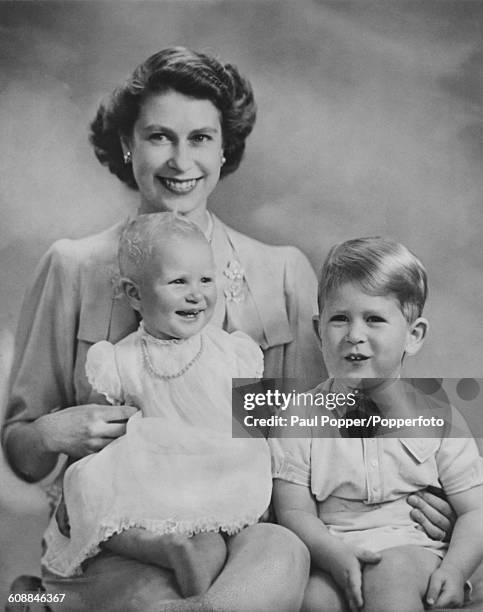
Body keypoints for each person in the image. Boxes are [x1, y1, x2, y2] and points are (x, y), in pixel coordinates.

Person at [1, 47, 455, 610]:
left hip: (246, 529)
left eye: (200, 139)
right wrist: (49, 433)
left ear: (224, 150)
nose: (179, 160)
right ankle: (44, 598)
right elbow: (23, 453)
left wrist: (426, 490)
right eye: (158, 136)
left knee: (282, 556)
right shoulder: (73, 266)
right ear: (126, 143)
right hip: (120, 537)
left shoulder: (282, 271)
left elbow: (330, 431)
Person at [42, 212, 273, 597]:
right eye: (179, 281)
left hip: (211, 480)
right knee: (104, 520)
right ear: (134, 294)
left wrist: (260, 487)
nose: (196, 293)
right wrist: (81, 487)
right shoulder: (120, 359)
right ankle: (164, 548)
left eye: (205, 279)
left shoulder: (232, 352)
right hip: (148, 479)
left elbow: (254, 426)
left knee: (209, 546)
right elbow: (102, 431)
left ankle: (192, 591)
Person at [270, 237, 483, 612]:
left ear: (413, 336)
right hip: (331, 546)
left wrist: (455, 567)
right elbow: (294, 511)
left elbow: (474, 510)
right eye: (340, 319)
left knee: (392, 576)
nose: (354, 335)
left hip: (411, 549)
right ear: (320, 330)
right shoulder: (299, 416)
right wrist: (334, 554)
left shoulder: (440, 417)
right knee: (311, 599)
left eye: (374, 319)